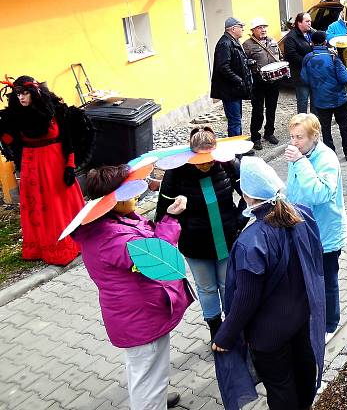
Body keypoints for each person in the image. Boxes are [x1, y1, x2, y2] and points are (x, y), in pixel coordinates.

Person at [73, 165, 191, 410]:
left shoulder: (112, 222)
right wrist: (172, 219)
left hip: (139, 314)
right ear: (112, 201)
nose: (135, 196)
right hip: (140, 317)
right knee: (146, 373)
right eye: (129, 193)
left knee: (146, 369)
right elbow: (159, 258)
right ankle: (150, 401)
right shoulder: (114, 238)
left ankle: (154, 395)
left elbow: (146, 240)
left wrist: (166, 215)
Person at [212, 157, 325, 410]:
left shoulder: (251, 241)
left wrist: (225, 335)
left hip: (269, 334)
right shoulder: (301, 215)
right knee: (302, 376)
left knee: (281, 388)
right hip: (299, 320)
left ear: (247, 196)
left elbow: (245, 299)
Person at [155, 128, 242, 340]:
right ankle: (215, 329)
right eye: (200, 160)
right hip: (195, 243)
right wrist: (174, 212)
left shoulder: (228, 164)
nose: (205, 164)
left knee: (227, 285)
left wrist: (239, 221)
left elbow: (249, 195)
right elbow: (162, 213)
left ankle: (232, 329)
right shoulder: (176, 172)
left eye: (209, 159)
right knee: (207, 288)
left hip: (226, 238)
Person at [0, 76, 89, 265]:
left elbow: (68, 140)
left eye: (25, 93)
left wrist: (70, 165)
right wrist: (4, 132)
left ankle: (71, 244)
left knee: (58, 204)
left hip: (55, 163)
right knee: (38, 206)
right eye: (18, 94)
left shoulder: (55, 110)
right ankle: (43, 247)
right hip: (31, 166)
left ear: (34, 93)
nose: (21, 98)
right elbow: (11, 141)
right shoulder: (16, 115)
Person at [283, 113, 347, 335]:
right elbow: (294, 189)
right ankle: (310, 318)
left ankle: (330, 326)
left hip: (325, 234)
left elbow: (319, 194)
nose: (294, 142)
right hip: (302, 230)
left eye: (299, 137)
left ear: (314, 136)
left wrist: (300, 162)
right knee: (305, 279)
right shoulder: (298, 155)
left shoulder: (326, 159)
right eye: (292, 136)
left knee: (327, 281)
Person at [301, 31, 347, 161]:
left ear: (312, 43)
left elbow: (304, 79)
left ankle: (330, 154)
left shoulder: (307, 58)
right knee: (344, 126)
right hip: (339, 100)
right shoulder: (333, 57)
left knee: (325, 129)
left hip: (320, 101)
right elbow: (345, 78)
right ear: (325, 42)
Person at [242, 17, 281, 149]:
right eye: (260, 27)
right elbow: (243, 64)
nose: (263, 29)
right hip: (258, 82)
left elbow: (279, 57)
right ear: (253, 30)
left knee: (272, 108)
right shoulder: (247, 45)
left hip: (274, 81)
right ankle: (255, 136)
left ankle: (269, 133)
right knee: (258, 110)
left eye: (264, 27)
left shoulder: (272, 41)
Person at [210, 17, 253, 137]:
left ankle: (238, 146)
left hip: (234, 89)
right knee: (235, 121)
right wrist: (239, 80)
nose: (243, 29)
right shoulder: (225, 43)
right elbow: (223, 67)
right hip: (229, 90)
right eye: (241, 27)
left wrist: (247, 62)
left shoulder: (232, 41)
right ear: (233, 28)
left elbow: (235, 61)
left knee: (237, 119)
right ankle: (236, 151)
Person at [283, 12, 315, 114]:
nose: (310, 23)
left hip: (314, 73)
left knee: (315, 99)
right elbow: (291, 55)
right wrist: (308, 62)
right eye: (307, 21)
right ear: (299, 23)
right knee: (303, 100)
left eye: (310, 21)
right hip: (300, 75)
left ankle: (314, 122)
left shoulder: (312, 33)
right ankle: (302, 124)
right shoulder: (291, 37)